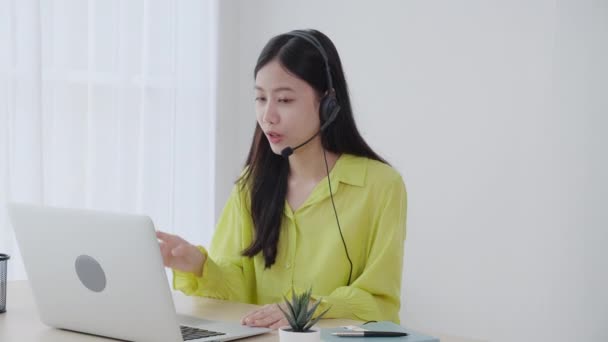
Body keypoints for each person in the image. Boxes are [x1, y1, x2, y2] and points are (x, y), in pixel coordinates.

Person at [156, 29, 407, 329]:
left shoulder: (380, 186)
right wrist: (198, 267)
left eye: (285, 100)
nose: (267, 116)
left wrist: (309, 308)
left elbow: (380, 302)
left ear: (328, 103)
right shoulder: (252, 184)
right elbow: (239, 292)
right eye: (260, 98)